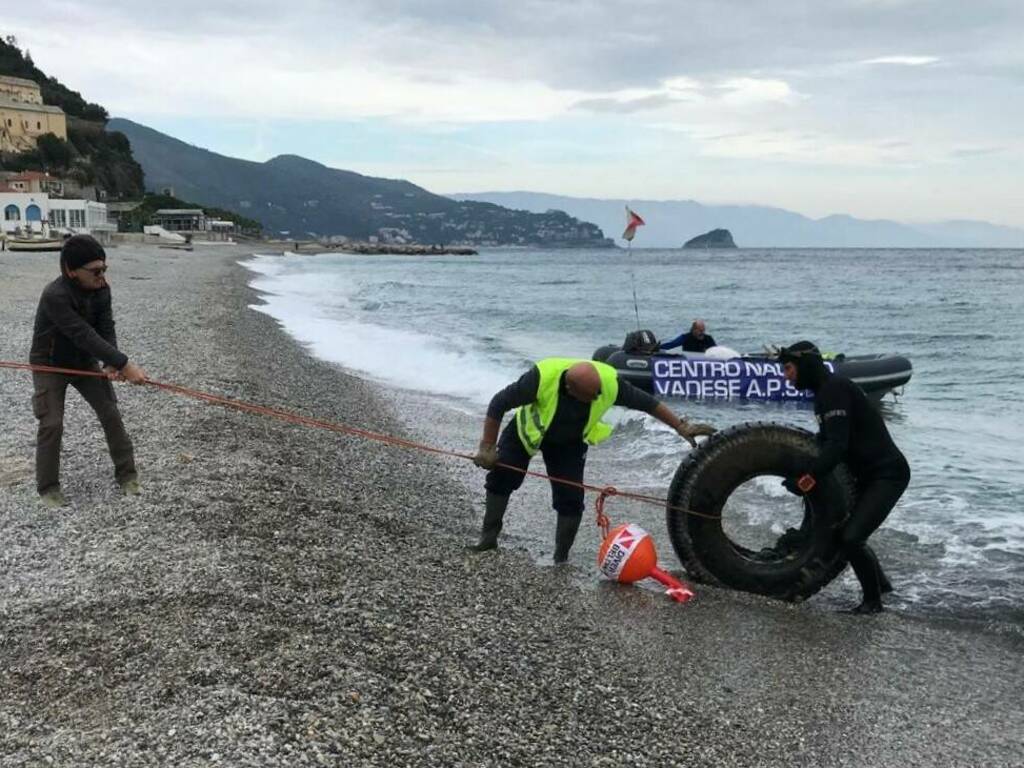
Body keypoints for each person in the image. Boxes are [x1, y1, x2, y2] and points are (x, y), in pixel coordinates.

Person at [470, 358, 715, 562]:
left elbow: (648, 404)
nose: (597, 398)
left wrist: (682, 427)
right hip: (528, 431)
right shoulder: (539, 379)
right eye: (589, 396)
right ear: (569, 389)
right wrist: (487, 447)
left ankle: (560, 558)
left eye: (597, 393)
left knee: (571, 497)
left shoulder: (608, 384)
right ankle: (488, 538)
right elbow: (498, 404)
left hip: (570, 443)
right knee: (503, 476)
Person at [779, 341, 909, 614]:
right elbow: (826, 441)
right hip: (868, 476)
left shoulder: (835, 390)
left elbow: (837, 447)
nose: (786, 375)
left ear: (806, 366)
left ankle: (873, 603)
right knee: (848, 533)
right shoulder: (825, 394)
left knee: (851, 537)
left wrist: (806, 480)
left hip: (887, 475)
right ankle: (882, 587)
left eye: (789, 368)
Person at [29, 235, 147, 507]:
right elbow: (82, 334)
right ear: (71, 271)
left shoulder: (102, 289)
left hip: (83, 362)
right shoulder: (54, 296)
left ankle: (128, 476)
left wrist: (111, 363)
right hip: (49, 363)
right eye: (95, 271)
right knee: (52, 423)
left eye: (104, 269)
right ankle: (48, 489)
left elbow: (106, 328)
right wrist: (125, 364)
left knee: (110, 413)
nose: (102, 276)